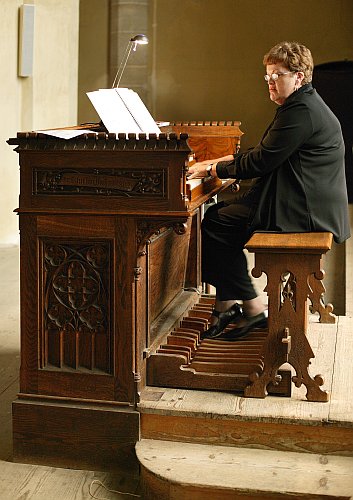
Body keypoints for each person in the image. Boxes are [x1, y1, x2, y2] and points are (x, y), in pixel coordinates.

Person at [187, 41, 350, 341]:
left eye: (277, 75)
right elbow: (267, 150)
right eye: (268, 76)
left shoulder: (300, 110)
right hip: (303, 198)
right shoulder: (302, 104)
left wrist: (213, 170)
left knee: (216, 222)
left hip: (305, 210)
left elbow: (262, 160)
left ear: (299, 77)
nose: (271, 82)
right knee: (220, 216)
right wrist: (221, 161)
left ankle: (250, 306)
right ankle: (230, 305)